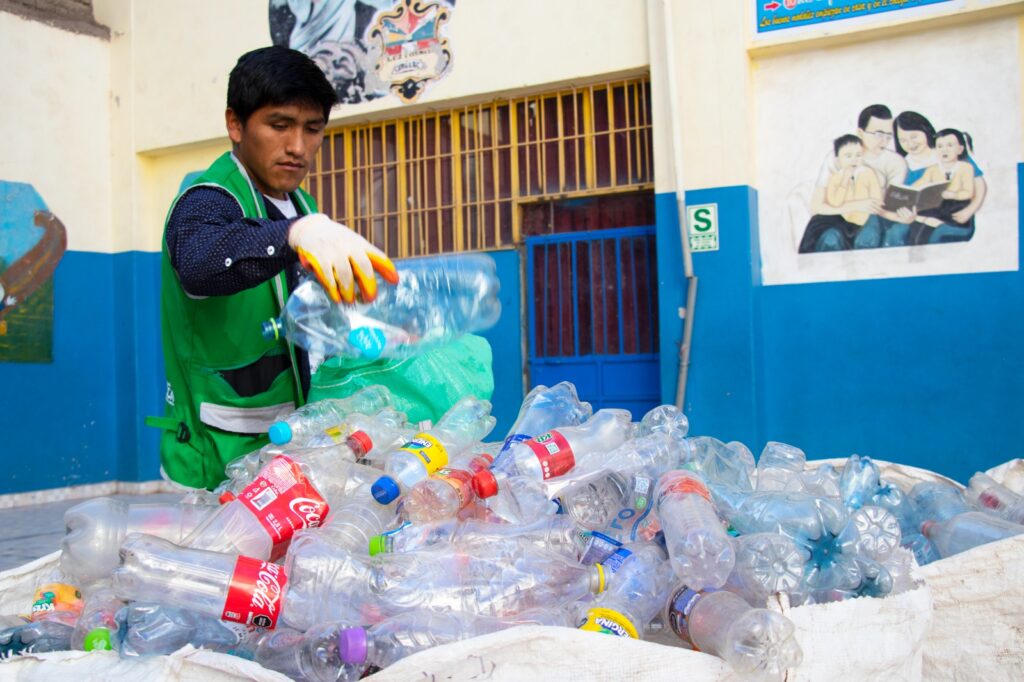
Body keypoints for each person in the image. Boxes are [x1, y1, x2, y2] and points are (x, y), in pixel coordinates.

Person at [153, 46, 399, 490]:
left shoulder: (303, 207)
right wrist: (291, 235)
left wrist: (372, 330)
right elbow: (200, 262)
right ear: (235, 124)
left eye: (313, 129)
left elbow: (308, 320)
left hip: (288, 453)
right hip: (214, 464)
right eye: (279, 125)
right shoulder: (206, 199)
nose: (297, 147)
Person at [799, 104, 907, 252]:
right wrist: (856, 205)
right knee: (830, 238)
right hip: (836, 218)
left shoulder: (896, 162)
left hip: (874, 219)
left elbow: (889, 205)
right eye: (878, 134)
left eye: (888, 136)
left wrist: (903, 216)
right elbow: (816, 206)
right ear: (860, 132)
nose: (884, 141)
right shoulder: (837, 157)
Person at [912, 128, 984, 244]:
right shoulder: (932, 169)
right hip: (938, 207)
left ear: (960, 149)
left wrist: (953, 194)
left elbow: (969, 192)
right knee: (919, 221)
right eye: (940, 146)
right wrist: (909, 192)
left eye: (949, 145)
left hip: (956, 208)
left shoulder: (965, 168)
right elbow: (918, 185)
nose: (944, 150)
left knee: (932, 225)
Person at [822, 134, 884, 247]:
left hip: (866, 219)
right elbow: (835, 203)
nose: (854, 160)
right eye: (848, 156)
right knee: (831, 238)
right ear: (837, 159)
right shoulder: (835, 178)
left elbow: (877, 199)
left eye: (859, 155)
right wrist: (845, 181)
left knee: (867, 237)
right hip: (843, 222)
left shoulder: (868, 173)